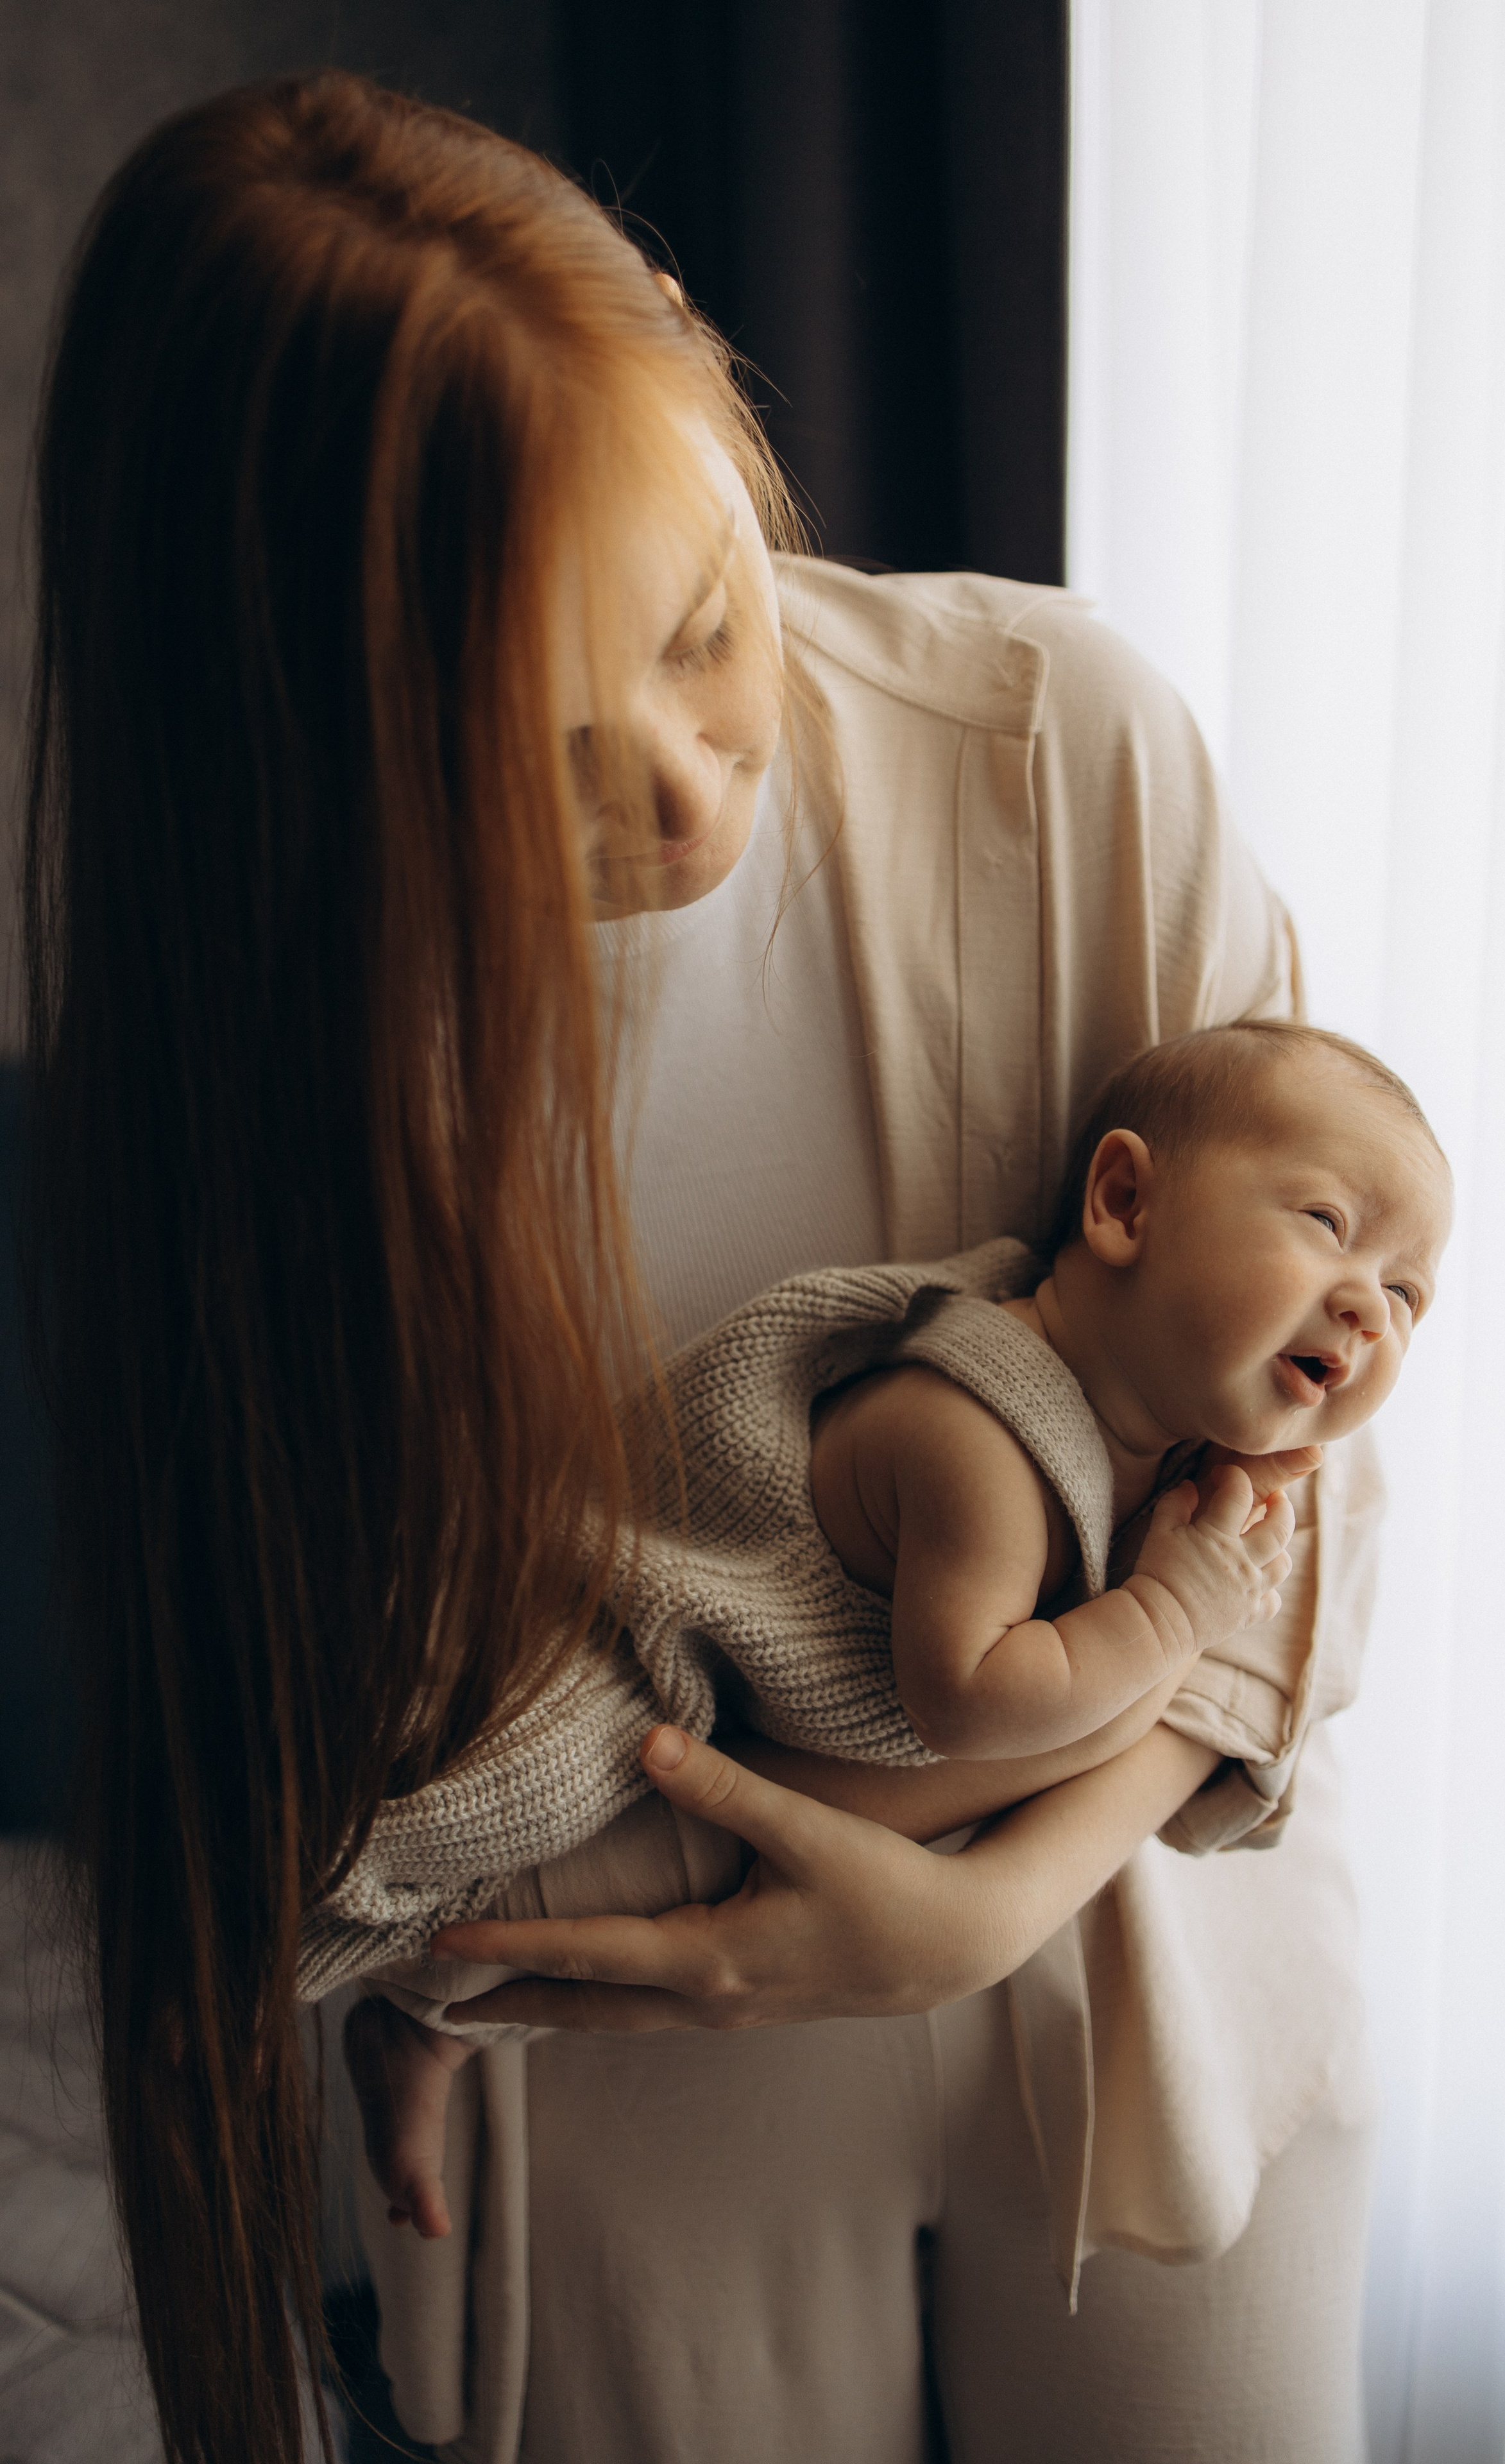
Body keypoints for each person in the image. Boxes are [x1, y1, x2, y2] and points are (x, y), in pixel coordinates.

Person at [21, 70, 1385, 2464]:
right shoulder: (276, 1088)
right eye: (523, 754)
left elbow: (1319, 1481)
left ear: (690, 347)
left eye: (700, 622)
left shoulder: (1064, 751)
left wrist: (981, 1906)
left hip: (1141, 1957)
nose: (675, 786)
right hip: (633, 2074)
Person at [345, 1020, 1449, 2257]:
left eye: (1410, 1294)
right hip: (643, 1684)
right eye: (1329, 1227)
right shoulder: (978, 1433)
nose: (1369, 1309)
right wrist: (1174, 1613)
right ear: (1125, 1203)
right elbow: (971, 1699)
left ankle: (424, 2028)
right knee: (474, 1852)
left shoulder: (1172, 1445)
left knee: (571, 1935)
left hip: (801, 1800)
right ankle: (270, 1961)